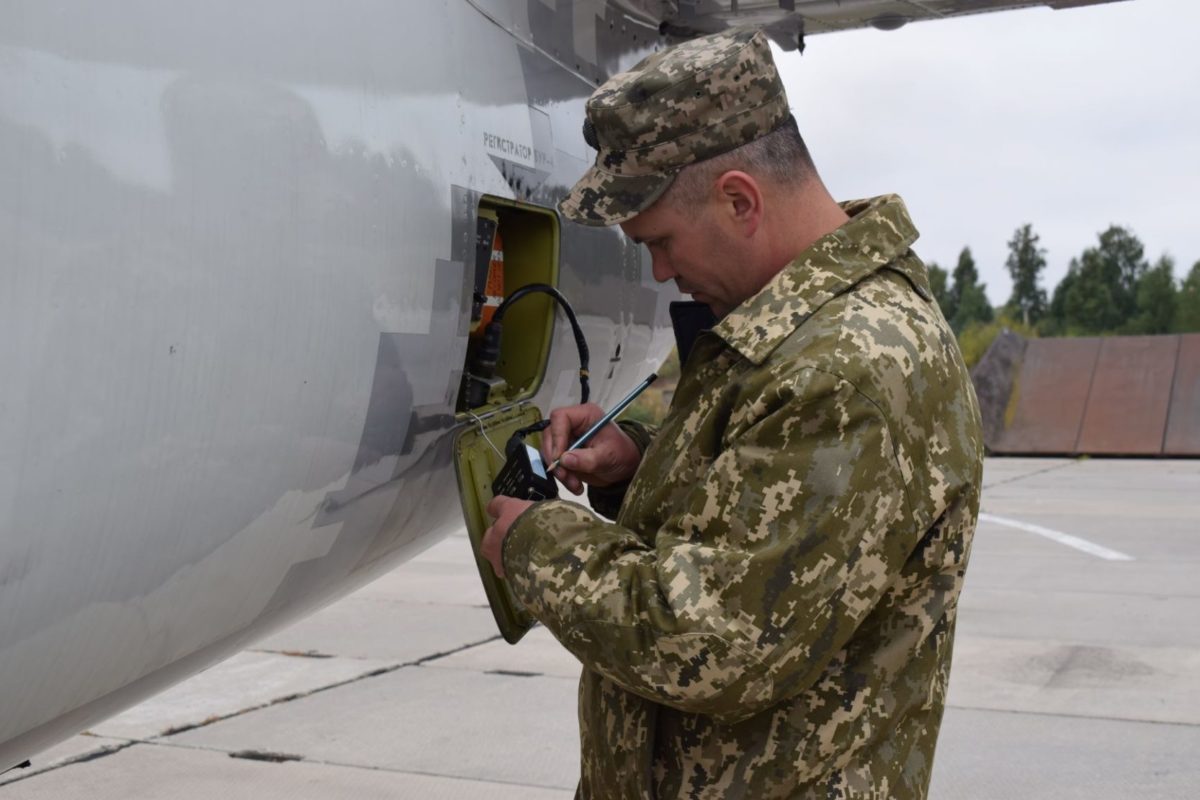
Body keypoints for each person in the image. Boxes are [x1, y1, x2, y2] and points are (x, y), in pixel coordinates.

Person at [482, 27, 983, 800]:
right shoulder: (797, 333)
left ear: (740, 200)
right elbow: (770, 522)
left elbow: (715, 640)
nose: (660, 270)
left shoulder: (848, 368)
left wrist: (535, 542)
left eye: (661, 240)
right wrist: (639, 468)